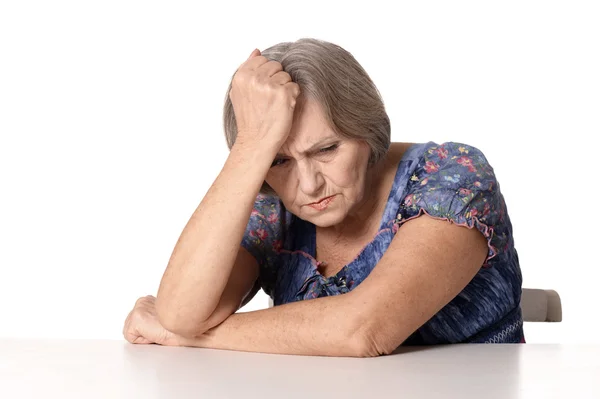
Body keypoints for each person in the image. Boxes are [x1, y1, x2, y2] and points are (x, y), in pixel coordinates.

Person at [122, 38, 525, 357]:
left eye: (326, 149)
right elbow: (180, 313)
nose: (309, 184)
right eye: (280, 160)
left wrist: (192, 338)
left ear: (367, 133)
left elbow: (364, 331)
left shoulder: (451, 175)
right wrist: (251, 147)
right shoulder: (273, 205)